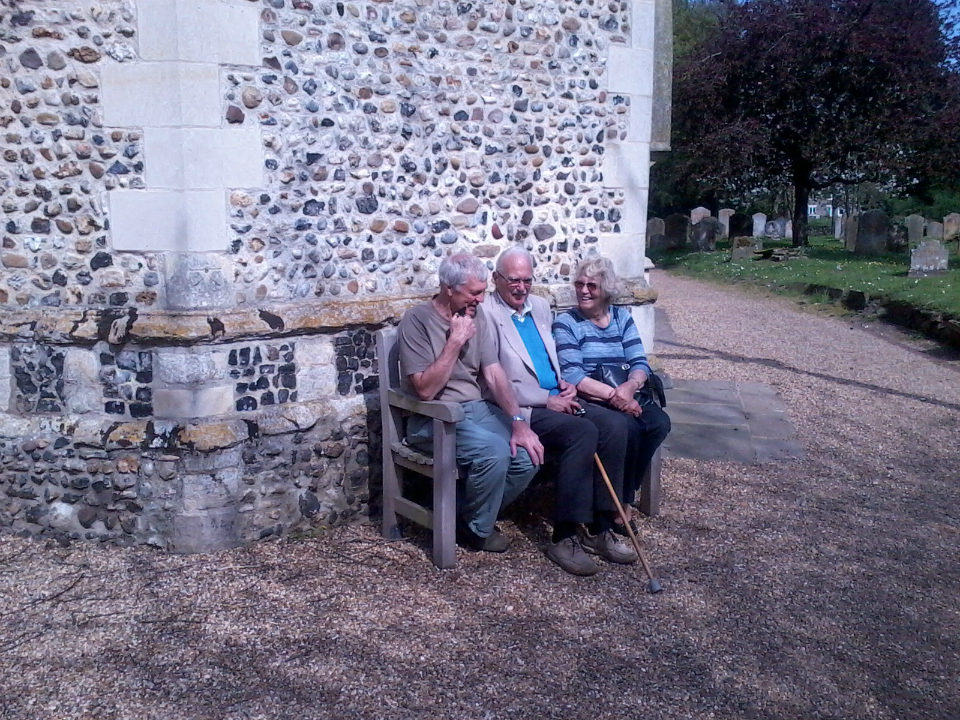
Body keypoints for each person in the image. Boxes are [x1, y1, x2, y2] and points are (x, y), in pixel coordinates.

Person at [482, 247, 639, 575]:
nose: (521, 288)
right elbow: (490, 381)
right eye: (513, 280)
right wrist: (546, 398)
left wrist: (564, 384)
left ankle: (599, 527)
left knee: (615, 426)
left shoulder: (539, 306)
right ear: (496, 279)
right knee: (582, 432)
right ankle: (564, 536)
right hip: (523, 406)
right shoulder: (485, 314)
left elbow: (552, 360)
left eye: (527, 280)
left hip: (560, 397)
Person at [397, 253, 544, 553]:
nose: (480, 299)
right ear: (448, 288)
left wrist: (518, 423)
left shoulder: (478, 315)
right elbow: (425, 390)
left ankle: (467, 518)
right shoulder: (417, 320)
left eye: (482, 291)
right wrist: (455, 341)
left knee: (528, 454)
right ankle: (477, 530)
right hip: (433, 417)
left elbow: (494, 373)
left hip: (475, 410)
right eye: (474, 293)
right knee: (494, 452)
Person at [553, 256, 671, 539]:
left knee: (658, 423)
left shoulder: (621, 317)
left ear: (606, 289)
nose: (583, 290)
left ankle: (624, 497)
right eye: (579, 284)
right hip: (591, 398)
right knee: (626, 427)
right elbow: (573, 375)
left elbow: (640, 362)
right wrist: (616, 397)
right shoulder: (566, 322)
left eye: (591, 286)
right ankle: (613, 509)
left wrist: (631, 386)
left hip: (625, 392)